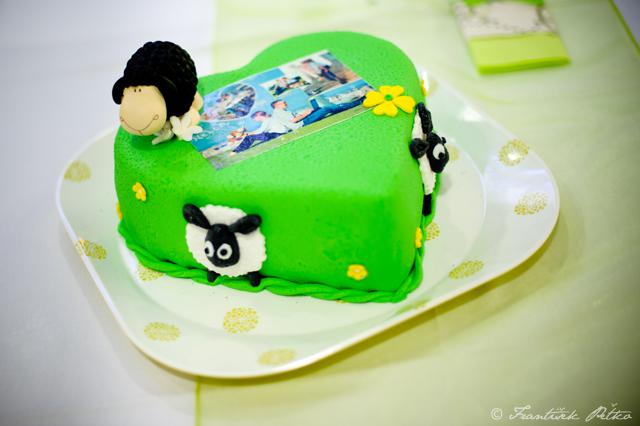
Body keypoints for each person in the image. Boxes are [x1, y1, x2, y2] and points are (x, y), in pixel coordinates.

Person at [233, 100, 311, 153]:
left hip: (276, 134)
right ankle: (240, 149)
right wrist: (246, 134)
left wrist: (247, 134)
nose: (256, 120)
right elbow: (260, 130)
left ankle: (236, 151)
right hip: (276, 134)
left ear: (258, 116)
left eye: (255, 119)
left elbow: (260, 131)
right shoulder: (270, 118)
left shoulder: (268, 120)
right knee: (257, 140)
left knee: (250, 138)